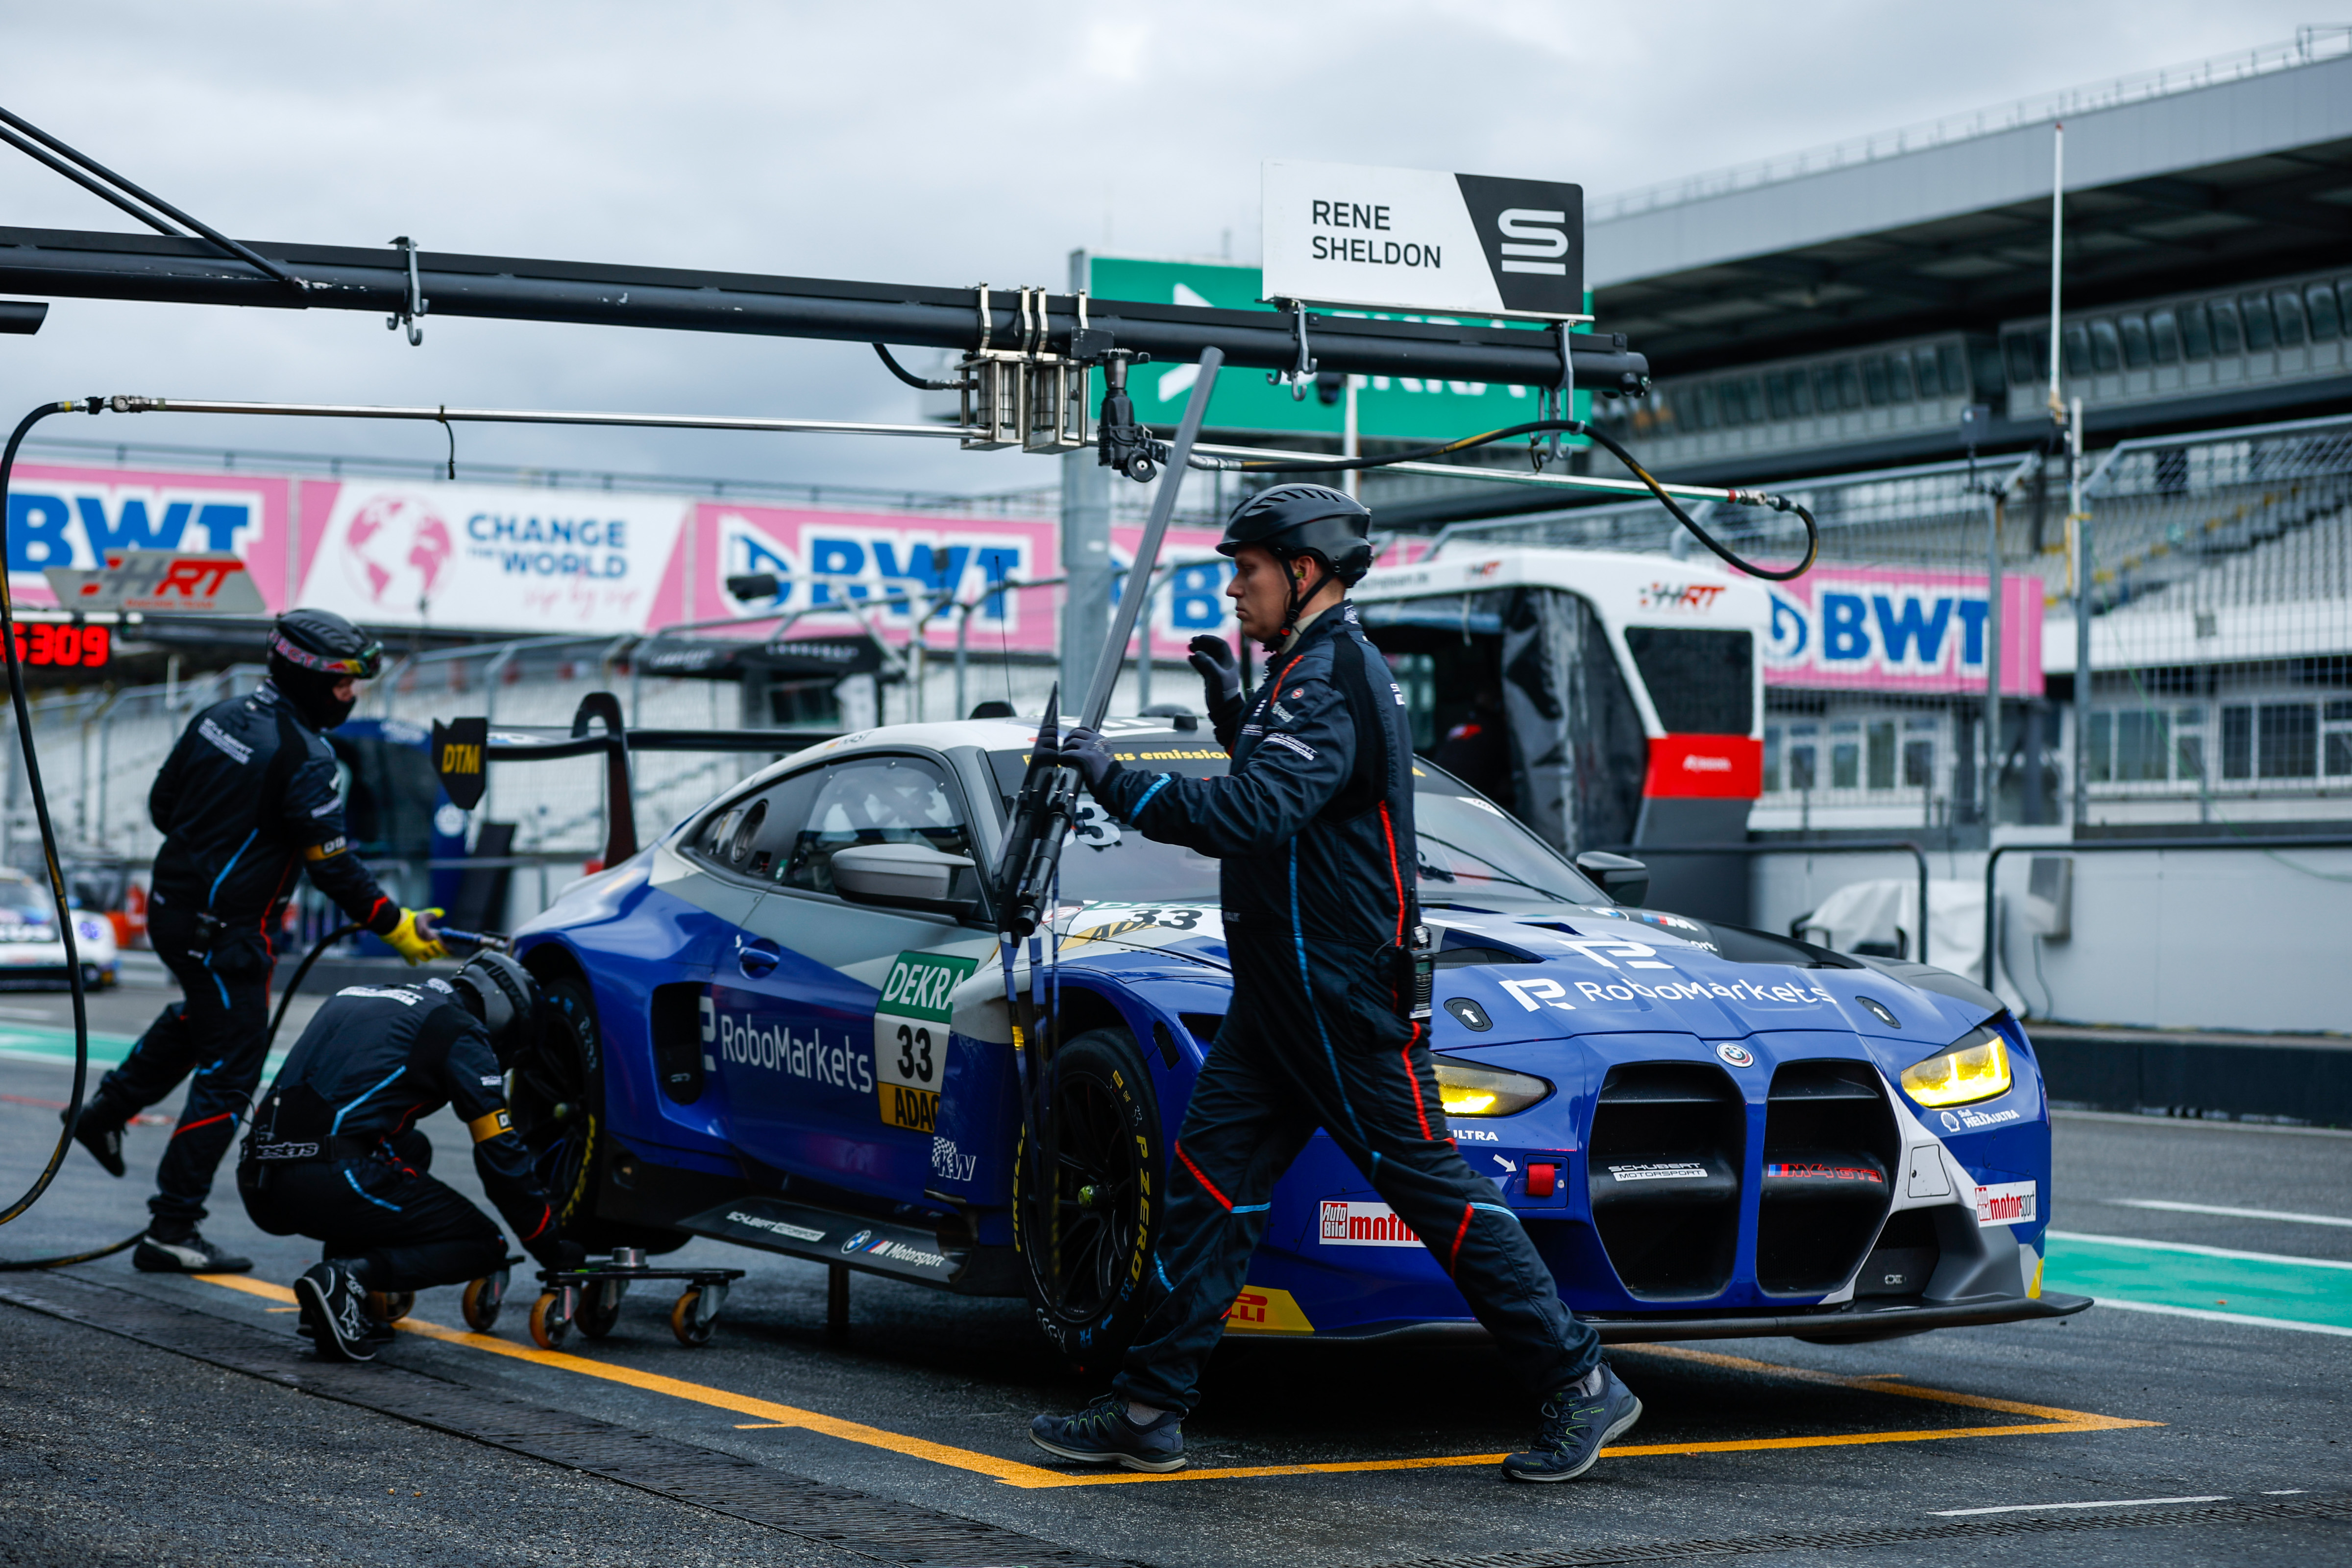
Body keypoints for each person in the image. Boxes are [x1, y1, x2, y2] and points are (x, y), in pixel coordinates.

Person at [1027, 484, 1639, 1482]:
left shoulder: (1329, 674)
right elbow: (1303, 792)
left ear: (1303, 572)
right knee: (1209, 1192)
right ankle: (1148, 1409)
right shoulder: (1305, 673)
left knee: (1435, 1194)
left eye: (1247, 571)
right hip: (1281, 996)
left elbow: (1253, 814)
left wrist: (1115, 779)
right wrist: (1235, 712)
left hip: (1344, 996)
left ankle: (1581, 1381)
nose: (1233, 589)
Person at [64, 609, 450, 1274]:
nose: (351, 695)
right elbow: (333, 866)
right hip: (226, 934)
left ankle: (102, 1113)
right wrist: (395, 923)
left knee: (204, 1020)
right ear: (309, 678)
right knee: (232, 1071)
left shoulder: (218, 715)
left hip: (173, 912)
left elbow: (162, 808)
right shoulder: (307, 756)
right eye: (343, 684)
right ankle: (172, 1226)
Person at [237, 950, 580, 1361]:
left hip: (260, 1180)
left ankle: (333, 1306)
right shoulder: (460, 1030)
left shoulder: (354, 995)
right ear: (508, 1021)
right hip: (331, 1178)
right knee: (483, 1243)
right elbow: (501, 1157)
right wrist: (550, 1247)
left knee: (411, 1147)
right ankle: (348, 1279)